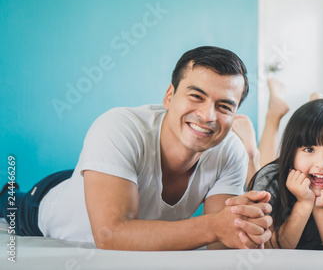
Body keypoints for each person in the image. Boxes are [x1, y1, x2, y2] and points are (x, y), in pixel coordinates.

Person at [0, 46, 272, 250]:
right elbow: (110, 234)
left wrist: (245, 227)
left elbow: (218, 241)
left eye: (224, 106)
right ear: (169, 96)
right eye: (196, 96)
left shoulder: (230, 150)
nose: (208, 115)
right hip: (42, 204)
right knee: (8, 203)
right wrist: (215, 226)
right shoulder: (118, 126)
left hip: (114, 174)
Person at [246, 99, 323, 250]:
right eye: (309, 149)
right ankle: (252, 152)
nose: (322, 164)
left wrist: (320, 207)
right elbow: (271, 250)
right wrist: (304, 204)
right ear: (292, 152)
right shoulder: (270, 179)